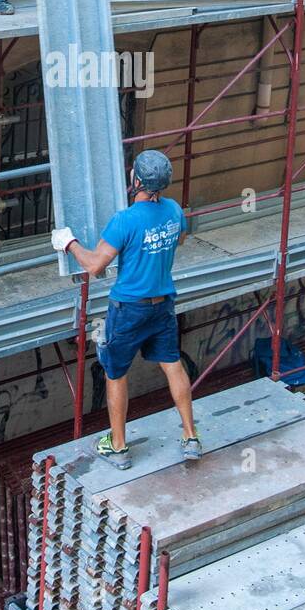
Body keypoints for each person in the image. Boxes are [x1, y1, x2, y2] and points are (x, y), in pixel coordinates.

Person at [51, 149, 201, 469]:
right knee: (173, 365)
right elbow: (182, 239)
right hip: (163, 306)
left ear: (137, 181)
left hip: (129, 308)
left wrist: (69, 242)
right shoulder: (174, 210)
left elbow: (94, 265)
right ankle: (190, 437)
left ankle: (118, 447)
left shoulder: (125, 220)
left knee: (116, 373)